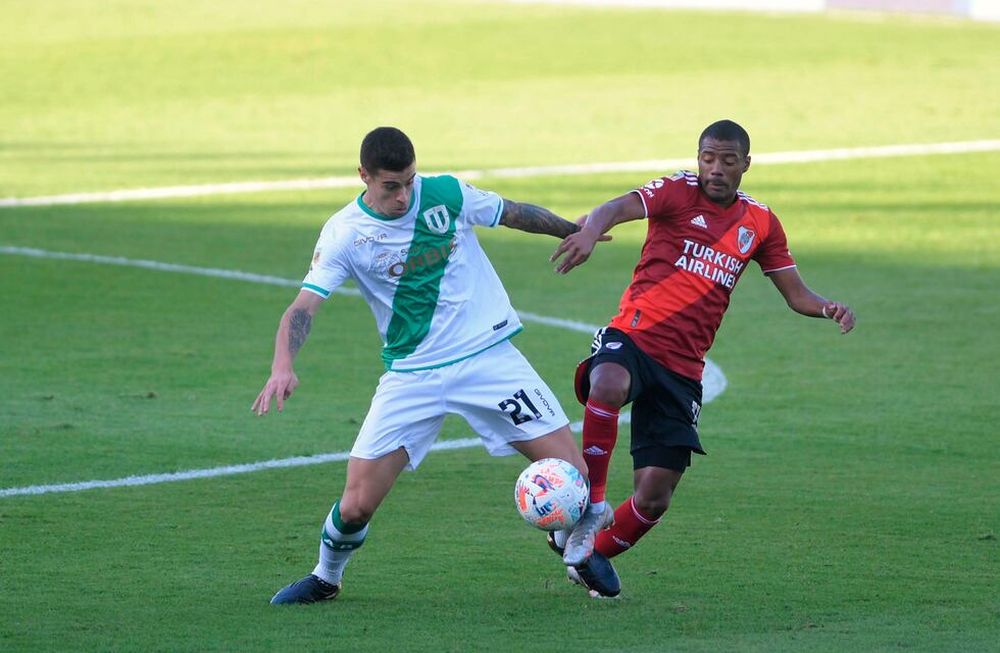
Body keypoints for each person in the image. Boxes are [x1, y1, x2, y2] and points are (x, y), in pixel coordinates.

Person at [252, 126, 620, 604]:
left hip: (489, 358)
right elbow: (303, 307)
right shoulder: (345, 233)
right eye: (390, 185)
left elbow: (513, 213)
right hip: (413, 375)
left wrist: (575, 230)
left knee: (572, 480)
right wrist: (283, 364)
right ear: (363, 176)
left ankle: (568, 540)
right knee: (358, 504)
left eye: (408, 181)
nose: (404, 195)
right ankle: (326, 577)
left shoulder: (445, 193)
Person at [548, 119, 856, 589]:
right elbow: (616, 207)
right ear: (698, 158)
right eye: (707, 158)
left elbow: (796, 294)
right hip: (635, 334)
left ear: (745, 165)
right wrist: (590, 232)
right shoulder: (676, 191)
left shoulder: (761, 223)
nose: (715, 169)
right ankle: (591, 507)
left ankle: (589, 557)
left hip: (684, 367)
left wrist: (826, 307)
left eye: (727, 161)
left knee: (654, 497)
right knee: (607, 382)